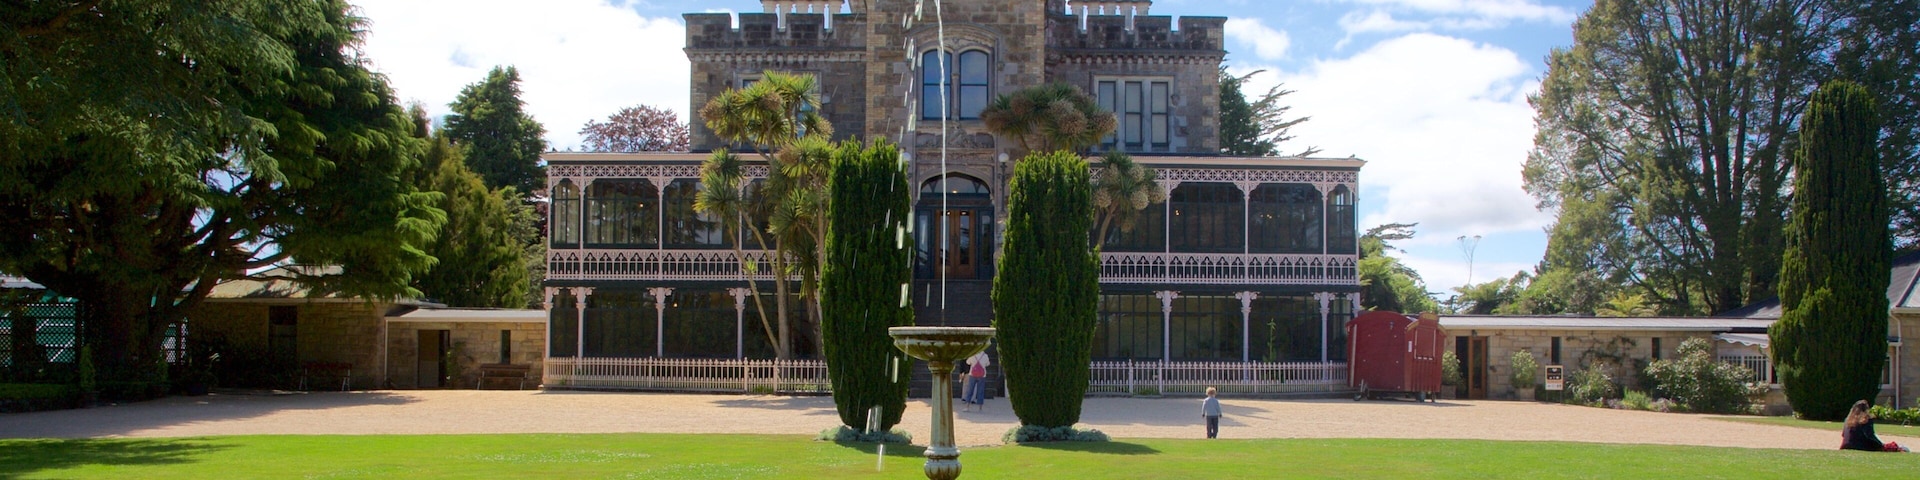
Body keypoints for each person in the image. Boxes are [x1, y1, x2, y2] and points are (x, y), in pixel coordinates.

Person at [1842, 399, 1909, 452]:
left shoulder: (1847, 421)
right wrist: (1881, 445)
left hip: (1846, 446)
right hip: (1861, 446)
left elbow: (1843, 435)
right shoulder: (1866, 420)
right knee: (1896, 446)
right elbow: (1870, 436)